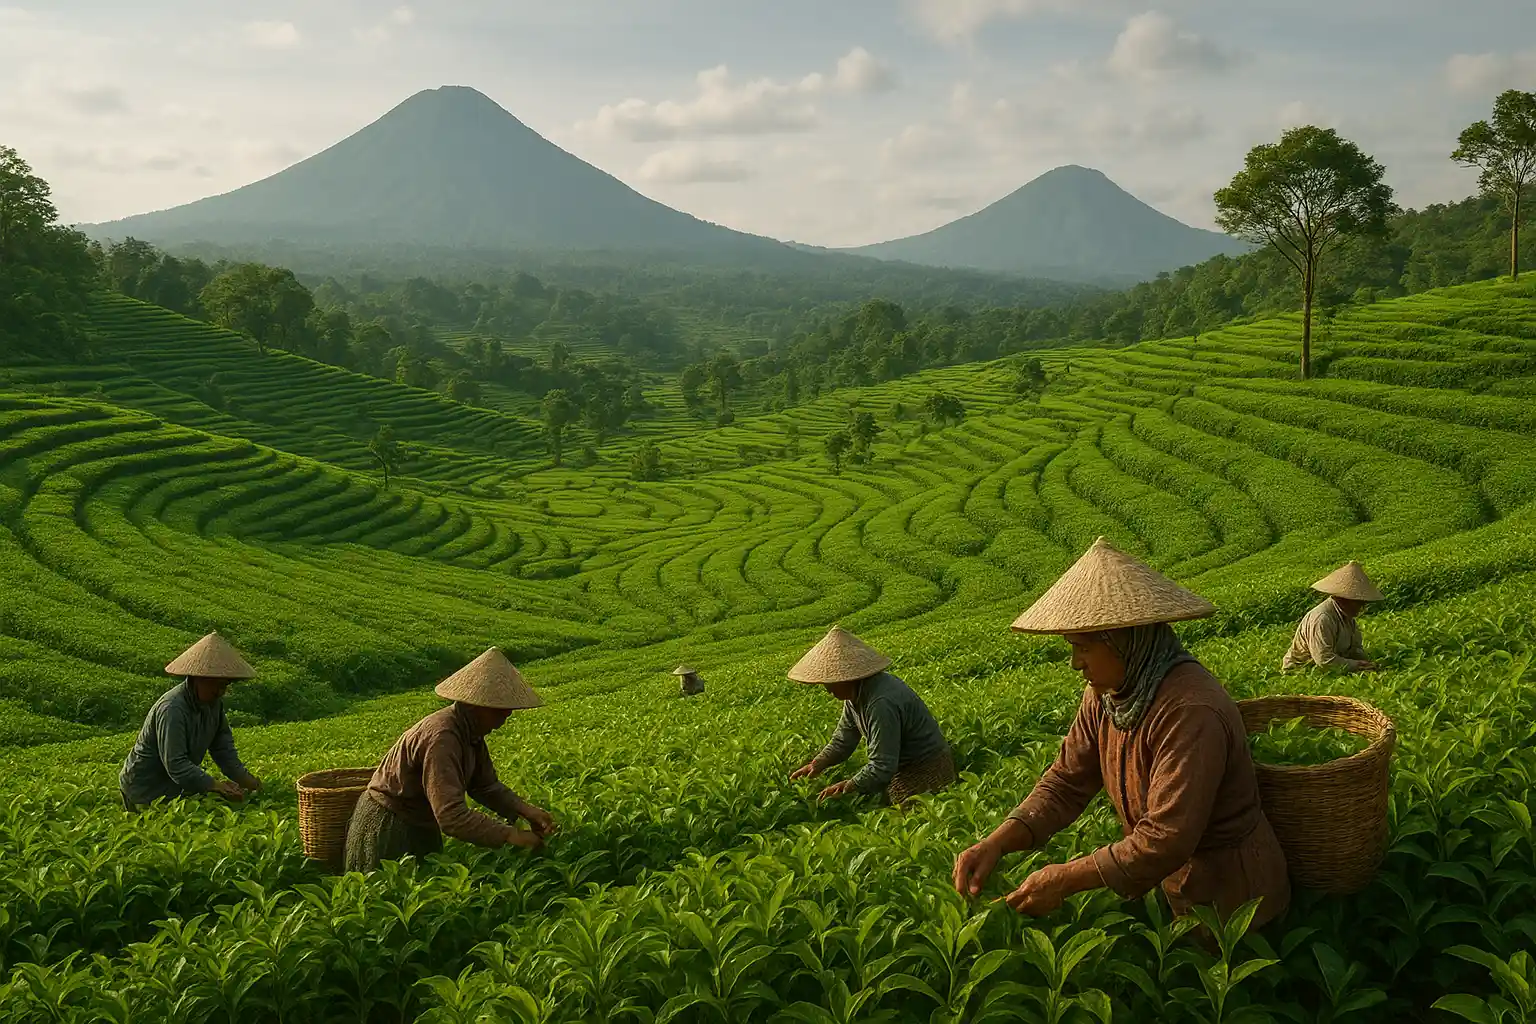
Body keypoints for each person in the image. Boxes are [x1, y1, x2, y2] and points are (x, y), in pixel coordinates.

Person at [953, 537, 1290, 931]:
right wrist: (998, 841)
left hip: (1236, 901)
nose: (1075, 663)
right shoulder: (1106, 695)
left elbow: (1166, 838)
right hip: (1174, 884)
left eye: (1082, 647)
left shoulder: (1191, 711)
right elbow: (1066, 782)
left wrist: (1065, 879)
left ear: (1122, 642)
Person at [344, 647, 557, 872]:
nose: (507, 715)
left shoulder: (471, 733)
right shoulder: (443, 738)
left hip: (419, 822)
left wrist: (526, 810)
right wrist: (509, 835)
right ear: (476, 705)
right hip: (389, 824)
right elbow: (451, 815)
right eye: (499, 709)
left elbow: (485, 786)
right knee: (386, 896)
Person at [788, 625, 956, 806]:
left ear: (847, 677)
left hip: (925, 771)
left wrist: (847, 786)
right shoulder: (855, 696)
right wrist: (818, 764)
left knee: (921, 823)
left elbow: (882, 766)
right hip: (902, 771)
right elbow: (843, 740)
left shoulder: (881, 703)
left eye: (830, 682)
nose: (827, 689)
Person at [118, 632, 263, 812]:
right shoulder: (172, 709)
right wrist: (215, 785)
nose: (220, 692)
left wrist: (248, 781)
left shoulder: (213, 706)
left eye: (224, 685)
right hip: (145, 790)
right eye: (215, 684)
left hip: (173, 787)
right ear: (197, 679)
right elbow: (176, 764)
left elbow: (223, 751)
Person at [1282, 561, 1383, 674]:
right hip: (1302, 672)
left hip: (1331, 668)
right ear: (1344, 599)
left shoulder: (1349, 619)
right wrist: (1357, 665)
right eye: (1358, 602)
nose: (1362, 606)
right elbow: (1324, 660)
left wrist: (1368, 663)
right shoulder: (1322, 618)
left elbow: (1355, 649)